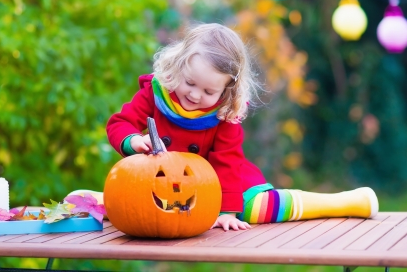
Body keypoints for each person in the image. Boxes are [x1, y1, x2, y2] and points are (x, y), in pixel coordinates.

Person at [106, 23, 378, 231]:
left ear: (227, 90)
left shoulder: (223, 115)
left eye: (209, 90)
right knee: (129, 198)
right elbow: (121, 122)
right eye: (189, 83)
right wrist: (131, 140)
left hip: (218, 184)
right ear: (178, 66)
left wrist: (226, 212)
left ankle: (346, 202)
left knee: (258, 208)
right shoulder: (156, 94)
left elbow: (227, 162)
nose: (196, 95)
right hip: (164, 182)